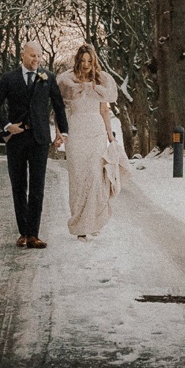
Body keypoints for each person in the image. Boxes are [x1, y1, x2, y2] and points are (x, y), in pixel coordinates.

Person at [0, 42, 68, 249]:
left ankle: (34, 234)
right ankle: (23, 233)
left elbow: (59, 105)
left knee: (38, 187)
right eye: (32, 56)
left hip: (40, 139)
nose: (36, 60)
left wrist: (63, 132)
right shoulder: (9, 78)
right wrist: (7, 125)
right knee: (19, 185)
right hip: (17, 139)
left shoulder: (47, 78)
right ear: (22, 55)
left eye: (39, 56)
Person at [56, 44, 132, 239]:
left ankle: (94, 220)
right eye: (83, 61)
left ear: (94, 61)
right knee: (78, 179)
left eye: (89, 61)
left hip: (96, 132)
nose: (86, 64)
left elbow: (104, 110)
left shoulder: (101, 81)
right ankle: (80, 224)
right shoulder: (67, 81)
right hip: (76, 131)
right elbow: (60, 111)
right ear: (78, 60)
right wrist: (59, 133)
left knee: (95, 176)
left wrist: (110, 136)